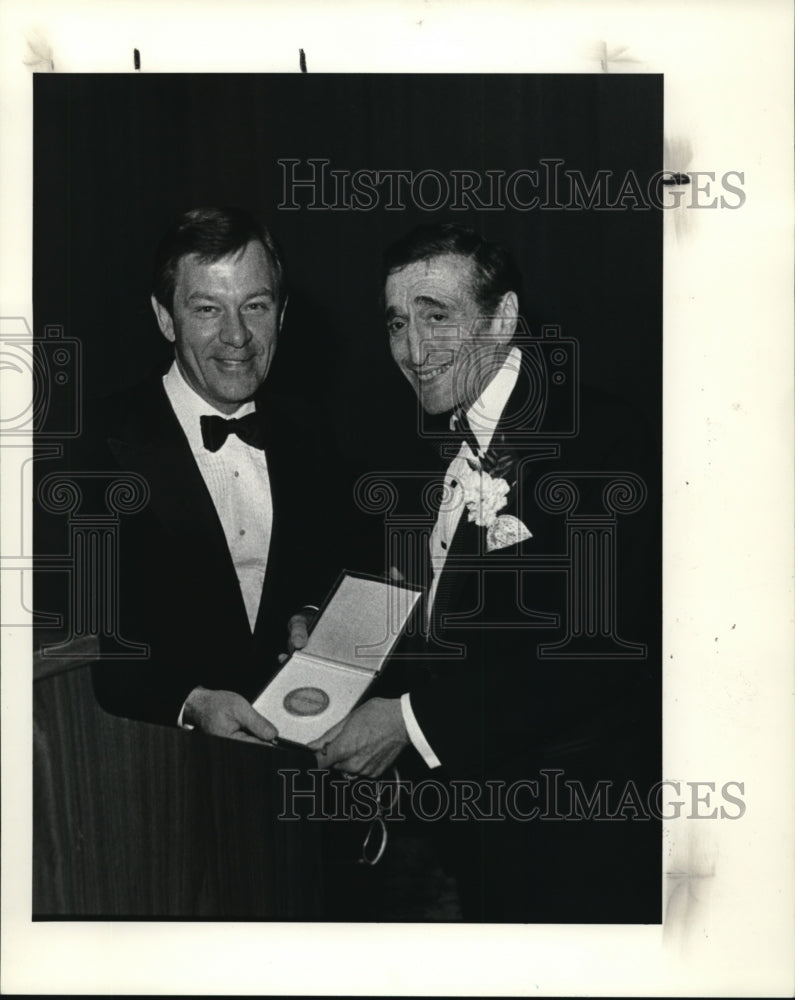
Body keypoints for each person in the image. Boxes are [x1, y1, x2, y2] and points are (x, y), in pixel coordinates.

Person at [310, 223, 661, 922]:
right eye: (396, 322)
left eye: (436, 317)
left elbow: (594, 656)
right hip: (471, 835)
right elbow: (435, 609)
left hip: (576, 841)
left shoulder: (600, 438)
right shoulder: (423, 439)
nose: (412, 351)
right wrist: (332, 643)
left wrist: (406, 721)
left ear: (502, 318)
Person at [88, 207, 333, 741]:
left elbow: (335, 570)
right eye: (207, 309)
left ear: (282, 313)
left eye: (256, 306)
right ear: (164, 317)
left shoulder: (317, 436)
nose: (237, 335)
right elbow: (87, 640)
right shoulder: (91, 446)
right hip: (157, 772)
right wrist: (191, 703)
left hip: (301, 771)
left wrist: (314, 613)